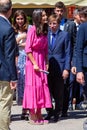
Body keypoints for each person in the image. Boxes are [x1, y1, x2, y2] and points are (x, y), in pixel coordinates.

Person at [23, 9, 52, 125]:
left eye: (45, 15)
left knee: (41, 86)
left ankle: (39, 113)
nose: (46, 17)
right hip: (32, 62)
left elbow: (45, 49)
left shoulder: (45, 30)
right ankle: (32, 115)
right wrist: (34, 63)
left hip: (41, 60)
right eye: (43, 15)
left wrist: (46, 61)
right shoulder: (32, 30)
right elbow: (28, 49)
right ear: (38, 17)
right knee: (33, 87)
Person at [45, 14, 71, 122]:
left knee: (58, 92)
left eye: (54, 23)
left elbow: (68, 52)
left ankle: (57, 112)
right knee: (47, 91)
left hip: (60, 67)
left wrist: (66, 68)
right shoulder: (45, 35)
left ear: (58, 23)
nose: (52, 26)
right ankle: (49, 111)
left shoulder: (65, 35)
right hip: (47, 66)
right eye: (50, 23)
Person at [54, 1, 76, 116]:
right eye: (57, 10)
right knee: (55, 84)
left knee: (67, 83)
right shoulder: (51, 23)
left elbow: (74, 43)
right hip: (55, 58)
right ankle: (56, 107)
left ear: (64, 11)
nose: (59, 13)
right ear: (54, 10)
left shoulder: (70, 24)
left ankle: (64, 109)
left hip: (67, 57)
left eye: (61, 11)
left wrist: (73, 59)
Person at [0, 0, 18, 130]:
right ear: (10, 10)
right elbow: (9, 55)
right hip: (4, 72)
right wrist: (13, 77)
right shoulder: (7, 28)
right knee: (4, 103)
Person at [12, 10, 31, 120]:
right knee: (19, 85)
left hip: (27, 58)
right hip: (16, 59)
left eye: (21, 18)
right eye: (18, 19)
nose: (20, 21)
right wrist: (20, 39)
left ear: (25, 19)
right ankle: (22, 107)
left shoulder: (29, 29)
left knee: (27, 84)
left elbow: (31, 43)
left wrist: (21, 42)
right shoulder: (12, 30)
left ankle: (26, 109)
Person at [72, 7, 87, 104]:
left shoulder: (82, 27)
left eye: (81, 17)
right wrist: (79, 70)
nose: (80, 19)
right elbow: (78, 48)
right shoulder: (83, 27)